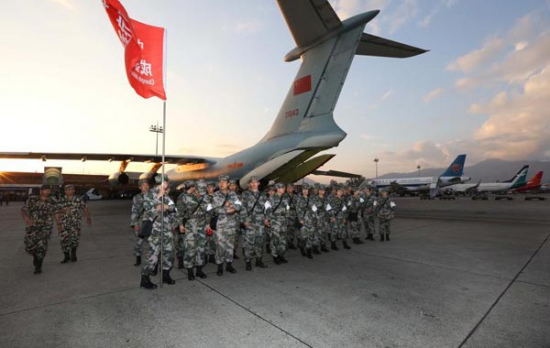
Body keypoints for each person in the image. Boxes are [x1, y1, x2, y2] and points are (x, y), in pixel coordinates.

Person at [140, 175, 177, 290]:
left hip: (167, 228)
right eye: (167, 182)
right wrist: (159, 198)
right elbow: (148, 208)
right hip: (155, 229)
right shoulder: (149, 194)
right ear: (163, 182)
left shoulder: (166, 195)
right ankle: (145, 279)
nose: (167, 184)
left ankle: (166, 274)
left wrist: (165, 206)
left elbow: (173, 207)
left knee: (169, 252)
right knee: (153, 254)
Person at [21, 185, 58, 274]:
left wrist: (59, 225)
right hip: (32, 227)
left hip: (45, 228)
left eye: (49, 190)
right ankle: (35, 255)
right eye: (46, 190)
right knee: (29, 247)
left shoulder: (52, 201)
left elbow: (56, 213)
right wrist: (26, 218)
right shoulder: (32, 199)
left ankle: (38, 267)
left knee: (41, 247)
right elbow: (23, 210)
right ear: (41, 191)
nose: (48, 192)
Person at [177, 180, 209, 280]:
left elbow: (209, 212)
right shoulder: (185, 197)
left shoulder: (206, 197)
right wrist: (180, 225)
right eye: (199, 191)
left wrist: (208, 223)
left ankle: (199, 270)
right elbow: (179, 212)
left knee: (201, 249)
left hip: (202, 226)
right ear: (195, 188)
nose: (201, 194)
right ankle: (190, 271)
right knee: (190, 249)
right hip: (190, 226)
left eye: (203, 191)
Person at [211, 175, 241, 276]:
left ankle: (229, 265)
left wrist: (234, 208)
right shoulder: (216, 195)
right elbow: (215, 209)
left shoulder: (233, 194)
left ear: (228, 184)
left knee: (230, 246)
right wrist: (227, 208)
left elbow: (238, 205)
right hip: (221, 225)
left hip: (232, 224)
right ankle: (219, 266)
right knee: (220, 246)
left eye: (224, 182)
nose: (221, 184)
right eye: (220, 182)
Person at [55, 184, 91, 263]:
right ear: (65, 191)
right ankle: (66, 256)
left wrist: (88, 218)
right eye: (67, 190)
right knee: (63, 239)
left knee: (75, 239)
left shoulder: (78, 200)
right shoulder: (61, 200)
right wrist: (59, 224)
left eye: (71, 189)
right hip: (63, 223)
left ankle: (73, 254)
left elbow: (85, 207)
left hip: (75, 223)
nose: (69, 191)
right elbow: (56, 212)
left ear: (74, 191)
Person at [241, 176, 269, 270]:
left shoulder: (263, 195)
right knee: (249, 242)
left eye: (255, 182)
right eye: (251, 182)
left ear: (258, 183)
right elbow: (242, 208)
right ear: (249, 184)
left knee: (260, 242)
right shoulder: (245, 194)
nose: (253, 184)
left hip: (260, 222)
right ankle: (248, 262)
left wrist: (266, 218)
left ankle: (259, 260)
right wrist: (245, 220)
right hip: (250, 222)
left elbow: (267, 208)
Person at [266, 182, 289, 264]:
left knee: (283, 239)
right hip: (275, 221)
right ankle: (275, 256)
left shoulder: (285, 198)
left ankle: (281, 255)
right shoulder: (271, 198)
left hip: (283, 221)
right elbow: (267, 210)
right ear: (278, 189)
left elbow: (287, 209)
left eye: (284, 188)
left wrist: (287, 218)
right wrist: (268, 220)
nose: (284, 189)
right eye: (282, 188)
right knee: (275, 239)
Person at [130, 179, 150, 266]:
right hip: (141, 222)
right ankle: (138, 257)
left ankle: (153, 260)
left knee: (153, 242)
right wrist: (135, 223)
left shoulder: (153, 196)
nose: (146, 186)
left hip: (151, 222)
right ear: (140, 187)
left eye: (147, 185)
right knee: (139, 241)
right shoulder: (136, 197)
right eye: (143, 185)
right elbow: (134, 211)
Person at [327, 185, 351, 250]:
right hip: (335, 218)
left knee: (343, 231)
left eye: (341, 191)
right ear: (336, 192)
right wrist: (331, 218)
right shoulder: (332, 199)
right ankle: (333, 245)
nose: (340, 193)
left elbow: (345, 209)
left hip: (342, 218)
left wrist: (345, 218)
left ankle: (345, 244)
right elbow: (328, 209)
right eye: (339, 191)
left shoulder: (343, 200)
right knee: (334, 232)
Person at [296, 183, 316, 259]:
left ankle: (308, 251)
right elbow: (298, 209)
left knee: (310, 237)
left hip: (311, 221)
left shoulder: (311, 199)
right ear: (302, 190)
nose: (305, 191)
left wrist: (315, 217)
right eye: (304, 189)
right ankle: (301, 247)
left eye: (306, 190)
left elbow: (314, 209)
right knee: (303, 237)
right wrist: (300, 219)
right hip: (303, 221)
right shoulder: (299, 199)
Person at [311, 184, 330, 254]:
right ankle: (315, 247)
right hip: (317, 219)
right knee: (317, 233)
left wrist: (331, 217)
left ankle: (323, 246)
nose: (322, 191)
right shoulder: (315, 199)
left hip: (324, 219)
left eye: (323, 190)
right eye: (321, 190)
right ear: (319, 191)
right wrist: (317, 217)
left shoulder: (326, 199)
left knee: (324, 233)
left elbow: (328, 209)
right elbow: (313, 209)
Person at [285, 184, 298, 250]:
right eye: (288, 187)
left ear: (293, 189)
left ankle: (291, 243)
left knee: (292, 230)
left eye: (291, 188)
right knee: (285, 229)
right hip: (286, 214)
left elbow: (298, 206)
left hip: (293, 214)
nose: (289, 189)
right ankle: (285, 244)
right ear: (286, 189)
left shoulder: (296, 196)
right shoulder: (283, 196)